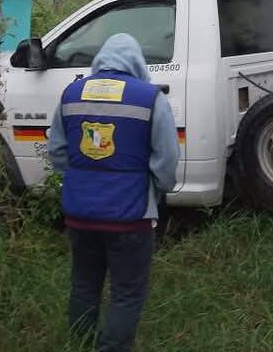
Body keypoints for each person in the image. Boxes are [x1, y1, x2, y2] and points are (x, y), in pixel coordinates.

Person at [47, 33, 179, 352]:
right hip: (130, 216)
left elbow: (57, 152)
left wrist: (81, 179)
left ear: (100, 60)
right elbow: (166, 159)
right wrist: (159, 189)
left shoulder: (71, 94)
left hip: (79, 214)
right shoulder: (150, 98)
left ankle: (79, 345)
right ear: (135, 61)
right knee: (127, 292)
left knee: (84, 285)